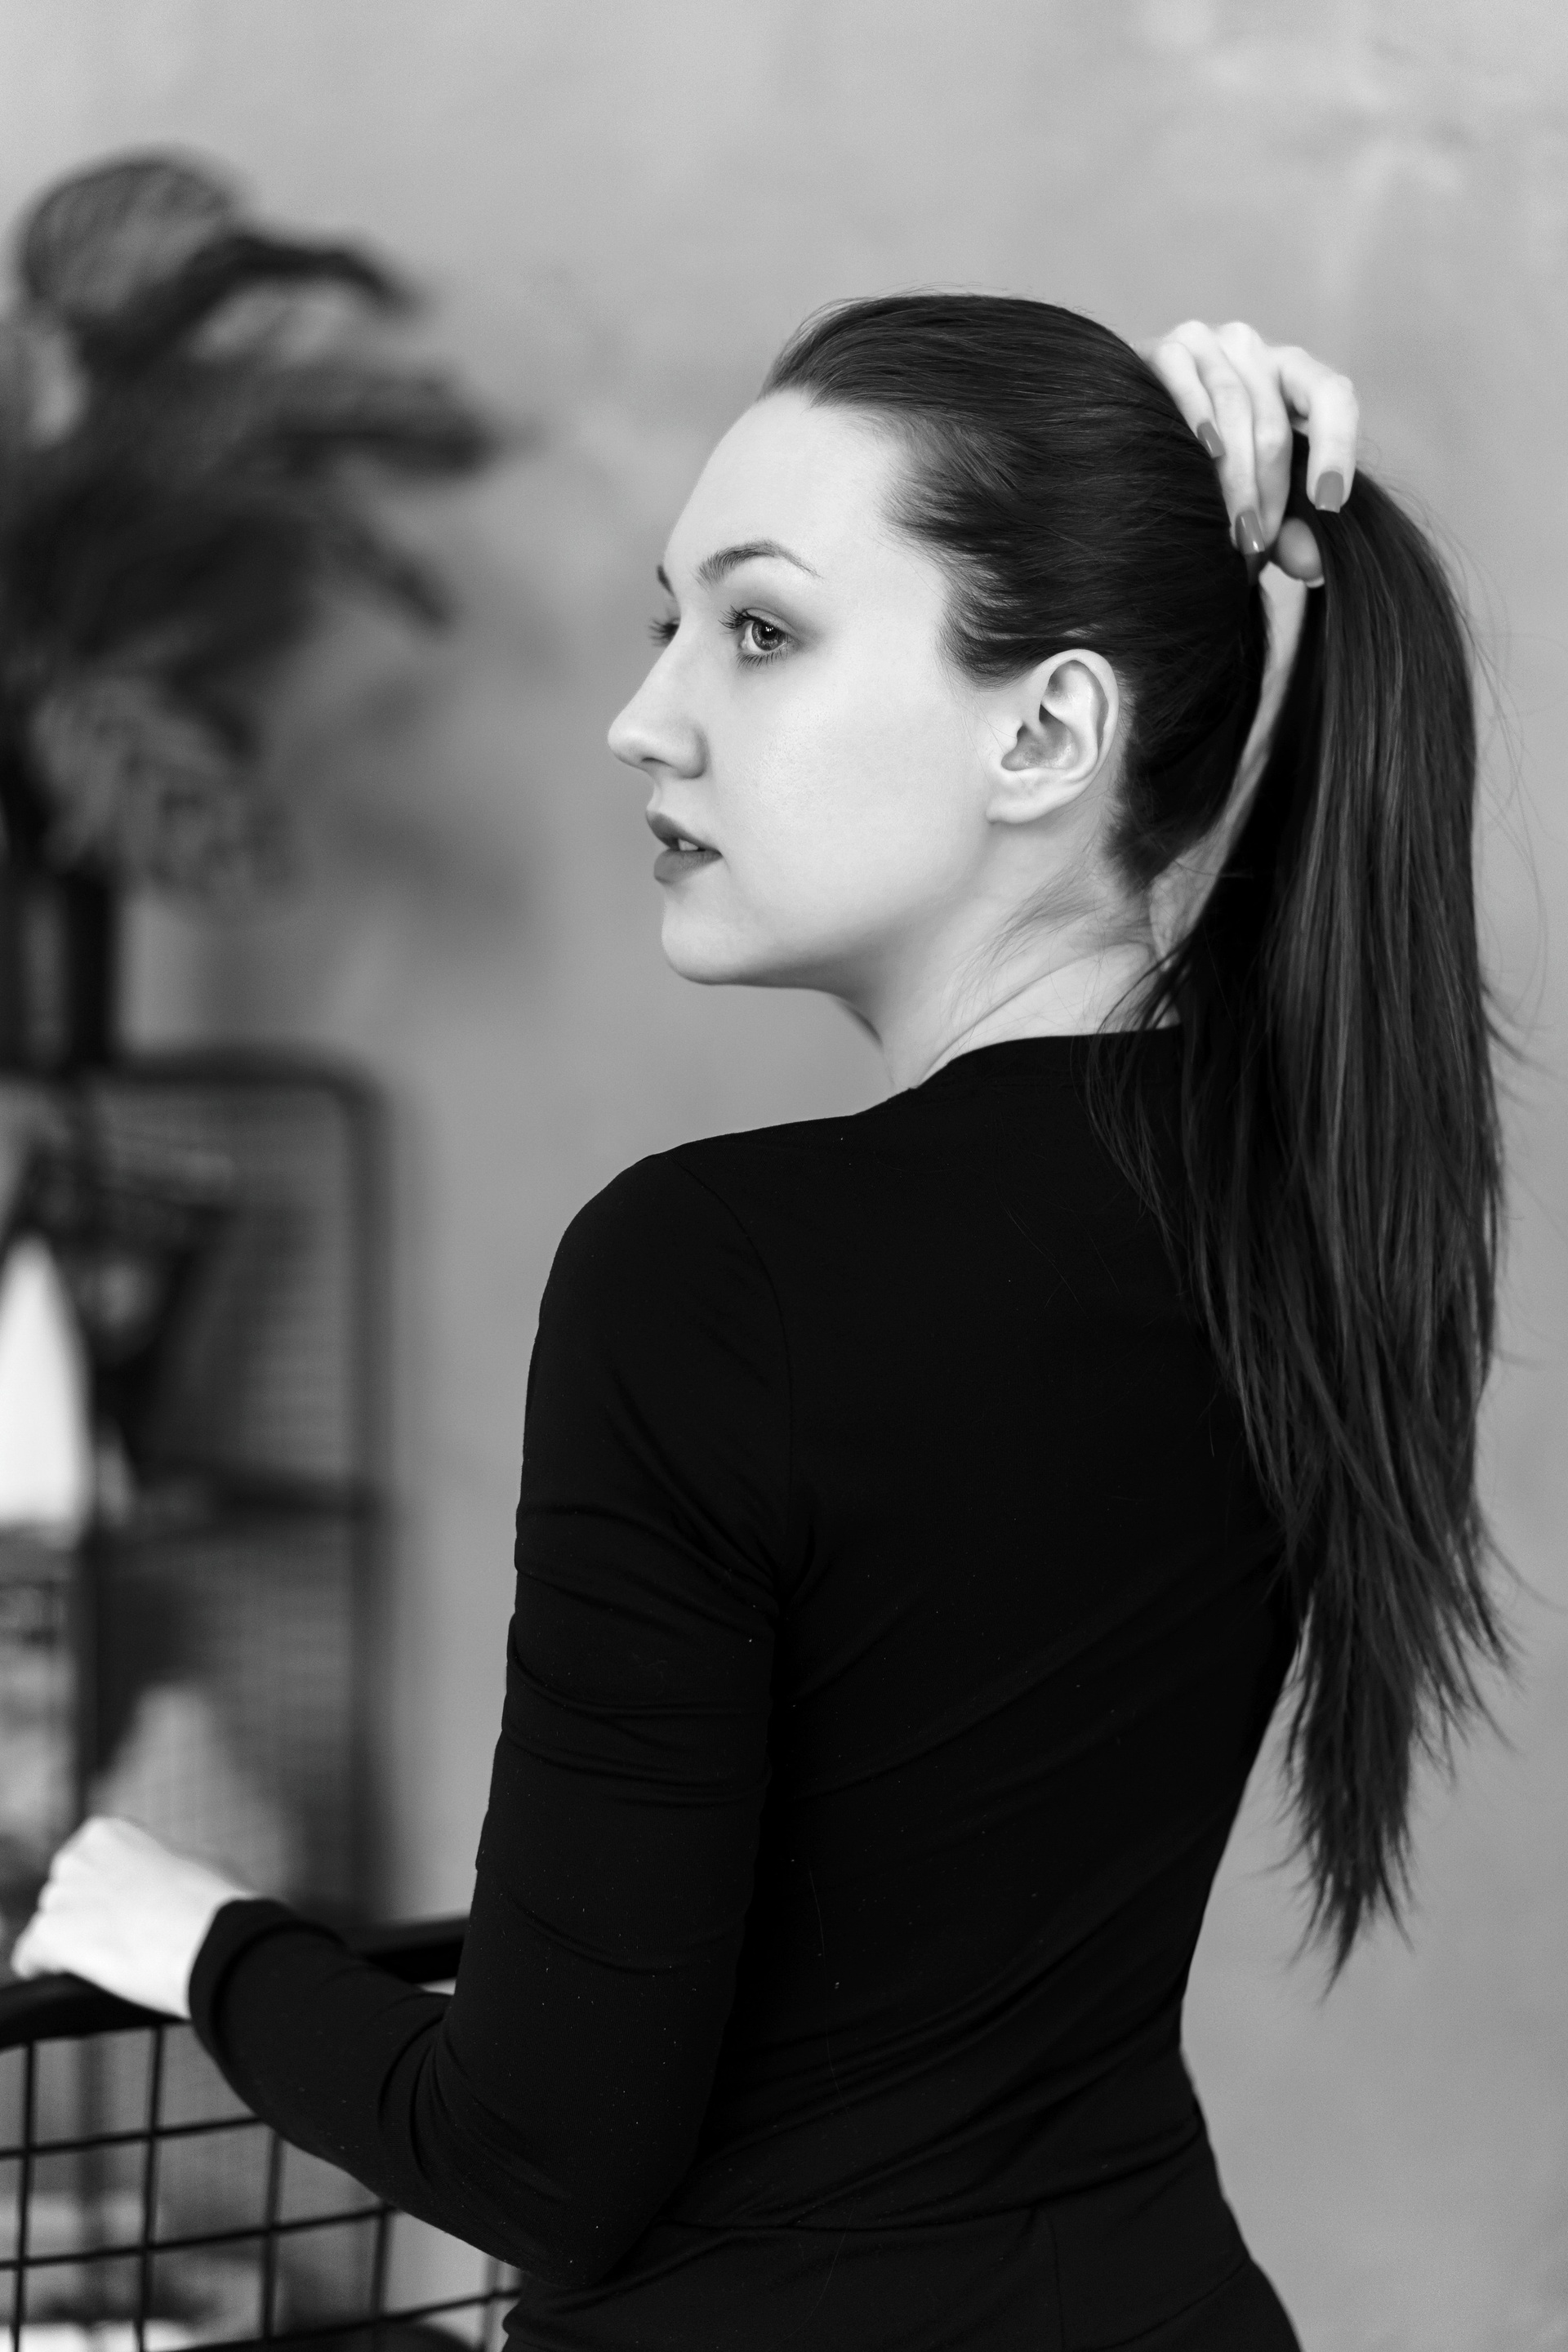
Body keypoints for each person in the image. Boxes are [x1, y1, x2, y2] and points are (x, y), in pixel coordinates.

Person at [12, 303, 1507, 2350]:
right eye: (673, 625)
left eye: (762, 630)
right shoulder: (1325, 1199)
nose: (647, 719)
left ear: (1049, 735)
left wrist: (200, 1941)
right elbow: (1199, 923)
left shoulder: (715, 1275)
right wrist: (1188, 560)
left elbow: (535, 2155)